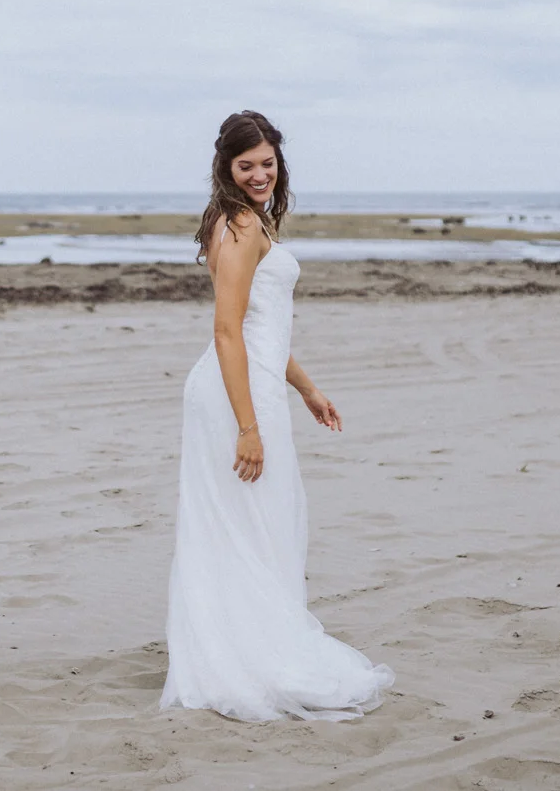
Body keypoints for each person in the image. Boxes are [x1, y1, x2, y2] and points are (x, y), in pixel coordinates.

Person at [160, 110, 395, 721]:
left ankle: (242, 645)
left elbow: (266, 330)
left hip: (253, 385)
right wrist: (248, 426)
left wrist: (308, 390)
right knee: (247, 524)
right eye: (247, 165)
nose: (260, 174)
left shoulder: (247, 219)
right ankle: (241, 659)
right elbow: (227, 331)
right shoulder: (238, 224)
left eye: (268, 163)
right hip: (236, 395)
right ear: (226, 168)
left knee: (254, 525)